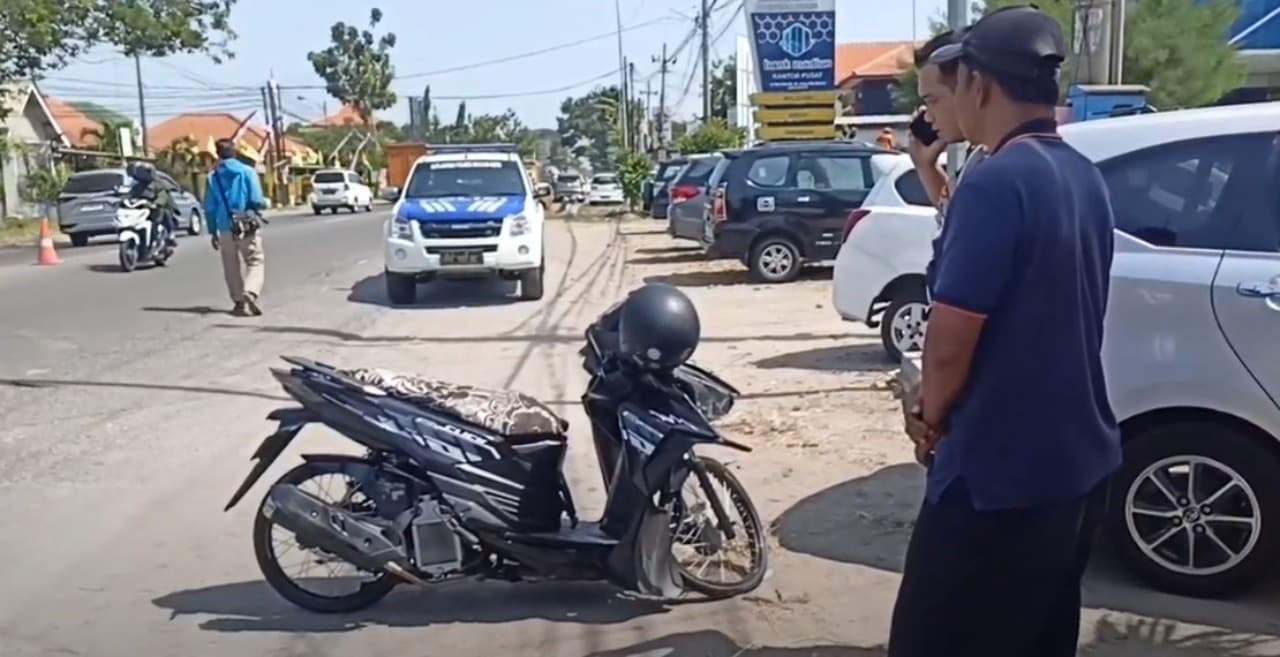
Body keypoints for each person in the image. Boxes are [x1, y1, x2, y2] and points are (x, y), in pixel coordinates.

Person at [887, 6, 1122, 657]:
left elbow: (950, 343)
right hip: (1077, 467)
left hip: (996, 477)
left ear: (980, 87)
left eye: (951, 87)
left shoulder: (996, 182)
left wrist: (928, 420)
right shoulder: (1084, 178)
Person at [204, 138, 267, 317]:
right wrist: (263, 205)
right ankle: (251, 291)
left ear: (217, 154)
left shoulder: (212, 176)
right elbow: (256, 200)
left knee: (230, 266)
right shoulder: (247, 172)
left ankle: (238, 301)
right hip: (246, 224)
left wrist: (212, 231)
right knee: (255, 261)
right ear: (235, 152)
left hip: (224, 226)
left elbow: (209, 207)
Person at [125, 162, 177, 250]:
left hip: (158, 208)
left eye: (145, 172)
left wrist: (156, 203)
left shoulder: (158, 183)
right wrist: (126, 202)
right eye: (141, 172)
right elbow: (130, 196)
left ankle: (169, 235)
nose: (143, 174)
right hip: (143, 209)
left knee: (163, 215)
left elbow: (163, 195)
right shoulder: (137, 186)